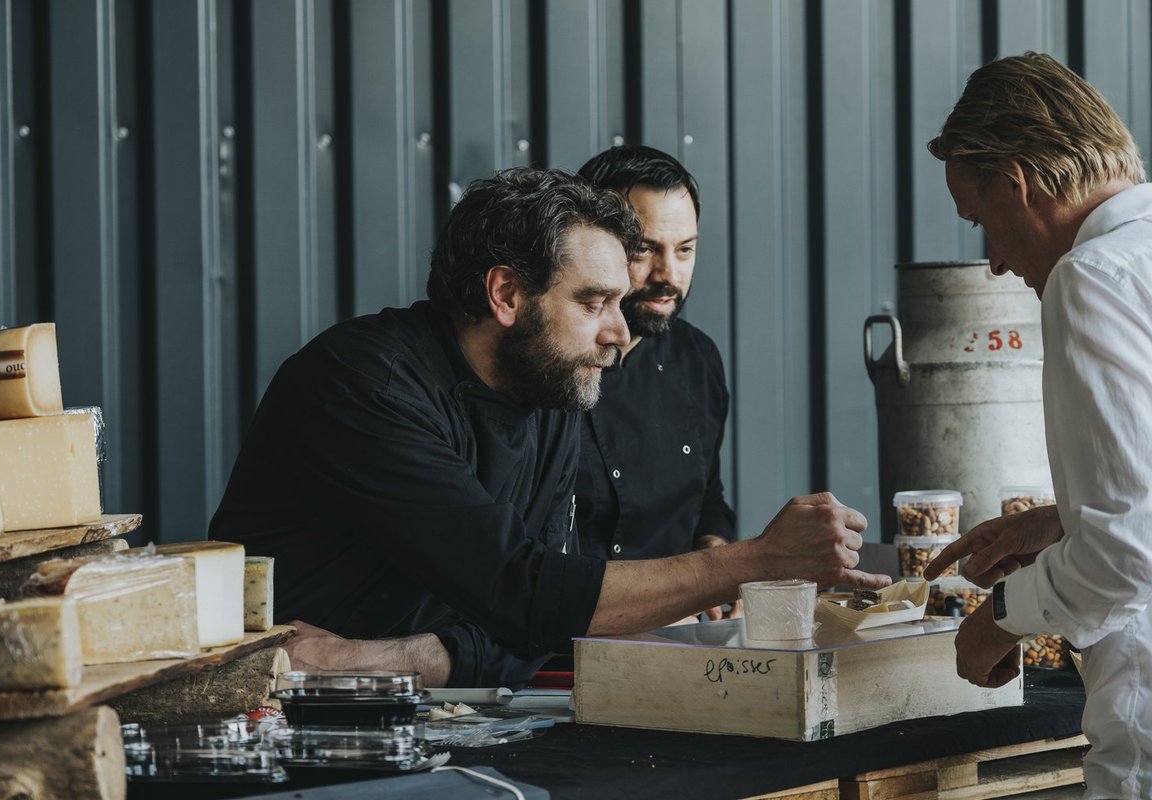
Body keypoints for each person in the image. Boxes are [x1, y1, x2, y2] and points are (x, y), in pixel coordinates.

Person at [211, 167, 889, 689]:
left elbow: (542, 618)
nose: (620, 333)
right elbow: (527, 593)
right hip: (288, 725)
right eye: (593, 301)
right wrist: (758, 560)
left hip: (426, 707)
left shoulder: (551, 388)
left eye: (619, 302)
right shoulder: (362, 383)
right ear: (505, 294)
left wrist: (398, 657)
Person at [922, 52, 1151, 799]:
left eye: (980, 221)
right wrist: (1061, 520)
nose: (991, 261)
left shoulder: (1091, 277)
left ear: (1017, 183)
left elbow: (1131, 549)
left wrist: (1003, 618)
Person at [573, 146, 735, 573]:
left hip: (684, 625)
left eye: (684, 250)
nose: (669, 275)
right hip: (577, 622)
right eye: (644, 250)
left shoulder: (697, 357)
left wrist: (713, 550)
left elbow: (707, 498)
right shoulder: (550, 364)